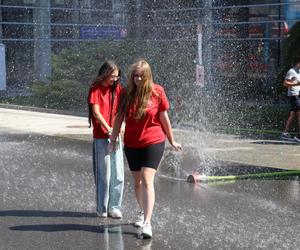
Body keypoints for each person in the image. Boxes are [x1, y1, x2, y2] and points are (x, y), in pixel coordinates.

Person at [110, 59, 182, 238]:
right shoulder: (126, 93)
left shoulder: (157, 92)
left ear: (148, 76)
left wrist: (172, 140)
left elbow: (164, 118)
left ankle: (148, 223)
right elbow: (119, 117)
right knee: (137, 182)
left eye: (142, 76)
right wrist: (113, 139)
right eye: (135, 76)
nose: (138, 79)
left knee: (147, 179)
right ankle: (142, 212)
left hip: (154, 140)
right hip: (132, 143)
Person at [88, 60, 124, 218]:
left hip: (116, 136)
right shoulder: (96, 89)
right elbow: (96, 112)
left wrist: (121, 125)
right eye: (112, 76)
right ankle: (102, 208)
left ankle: (114, 207)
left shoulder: (117, 90)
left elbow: (121, 111)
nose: (114, 80)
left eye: (117, 77)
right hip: (102, 137)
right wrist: (109, 129)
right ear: (105, 74)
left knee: (118, 174)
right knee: (104, 175)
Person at [280, 56, 300, 143]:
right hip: (294, 95)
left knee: (292, 115)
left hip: (298, 95)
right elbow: (285, 83)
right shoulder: (292, 71)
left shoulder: (299, 72)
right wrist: (295, 84)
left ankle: (285, 133)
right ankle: (298, 137)